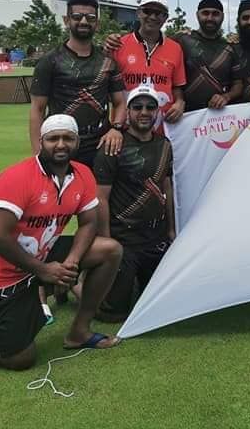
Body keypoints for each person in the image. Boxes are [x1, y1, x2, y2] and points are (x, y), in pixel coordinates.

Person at [0, 115, 124, 368]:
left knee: (110, 250)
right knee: (20, 359)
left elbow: (89, 223)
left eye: (68, 138)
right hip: (0, 275)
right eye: (53, 138)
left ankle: (79, 332)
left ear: (77, 142)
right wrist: (44, 270)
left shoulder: (83, 173)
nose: (61, 144)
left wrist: (72, 263)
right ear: (41, 142)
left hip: (41, 257)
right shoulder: (17, 177)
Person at [93, 85, 177, 321]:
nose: (144, 112)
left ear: (157, 112)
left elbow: (167, 187)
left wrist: (170, 230)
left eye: (150, 107)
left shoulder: (164, 145)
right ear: (128, 111)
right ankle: (79, 285)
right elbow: (101, 197)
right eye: (137, 107)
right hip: (124, 240)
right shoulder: (112, 146)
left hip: (155, 238)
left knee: (160, 307)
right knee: (113, 314)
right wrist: (107, 241)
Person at [30, 0, 127, 167]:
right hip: (62, 143)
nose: (83, 21)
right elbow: (37, 109)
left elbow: (120, 103)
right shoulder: (50, 61)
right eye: (77, 17)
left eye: (90, 18)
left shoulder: (108, 61)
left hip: (100, 144)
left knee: (100, 194)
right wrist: (38, 153)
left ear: (97, 23)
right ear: (67, 20)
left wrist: (116, 128)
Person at [106, 0, 187, 129]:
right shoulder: (118, 45)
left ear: (166, 18)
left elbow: (176, 86)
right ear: (138, 13)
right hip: (125, 128)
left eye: (159, 13)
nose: (152, 17)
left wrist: (180, 102)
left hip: (163, 128)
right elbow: (107, 88)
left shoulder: (175, 48)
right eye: (147, 11)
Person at [176, 0, 243, 111]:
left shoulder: (230, 48)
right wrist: (179, 100)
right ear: (197, 15)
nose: (210, 18)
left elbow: (238, 85)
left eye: (215, 14)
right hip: (186, 117)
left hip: (219, 117)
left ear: (222, 17)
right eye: (205, 13)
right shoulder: (182, 41)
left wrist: (226, 97)